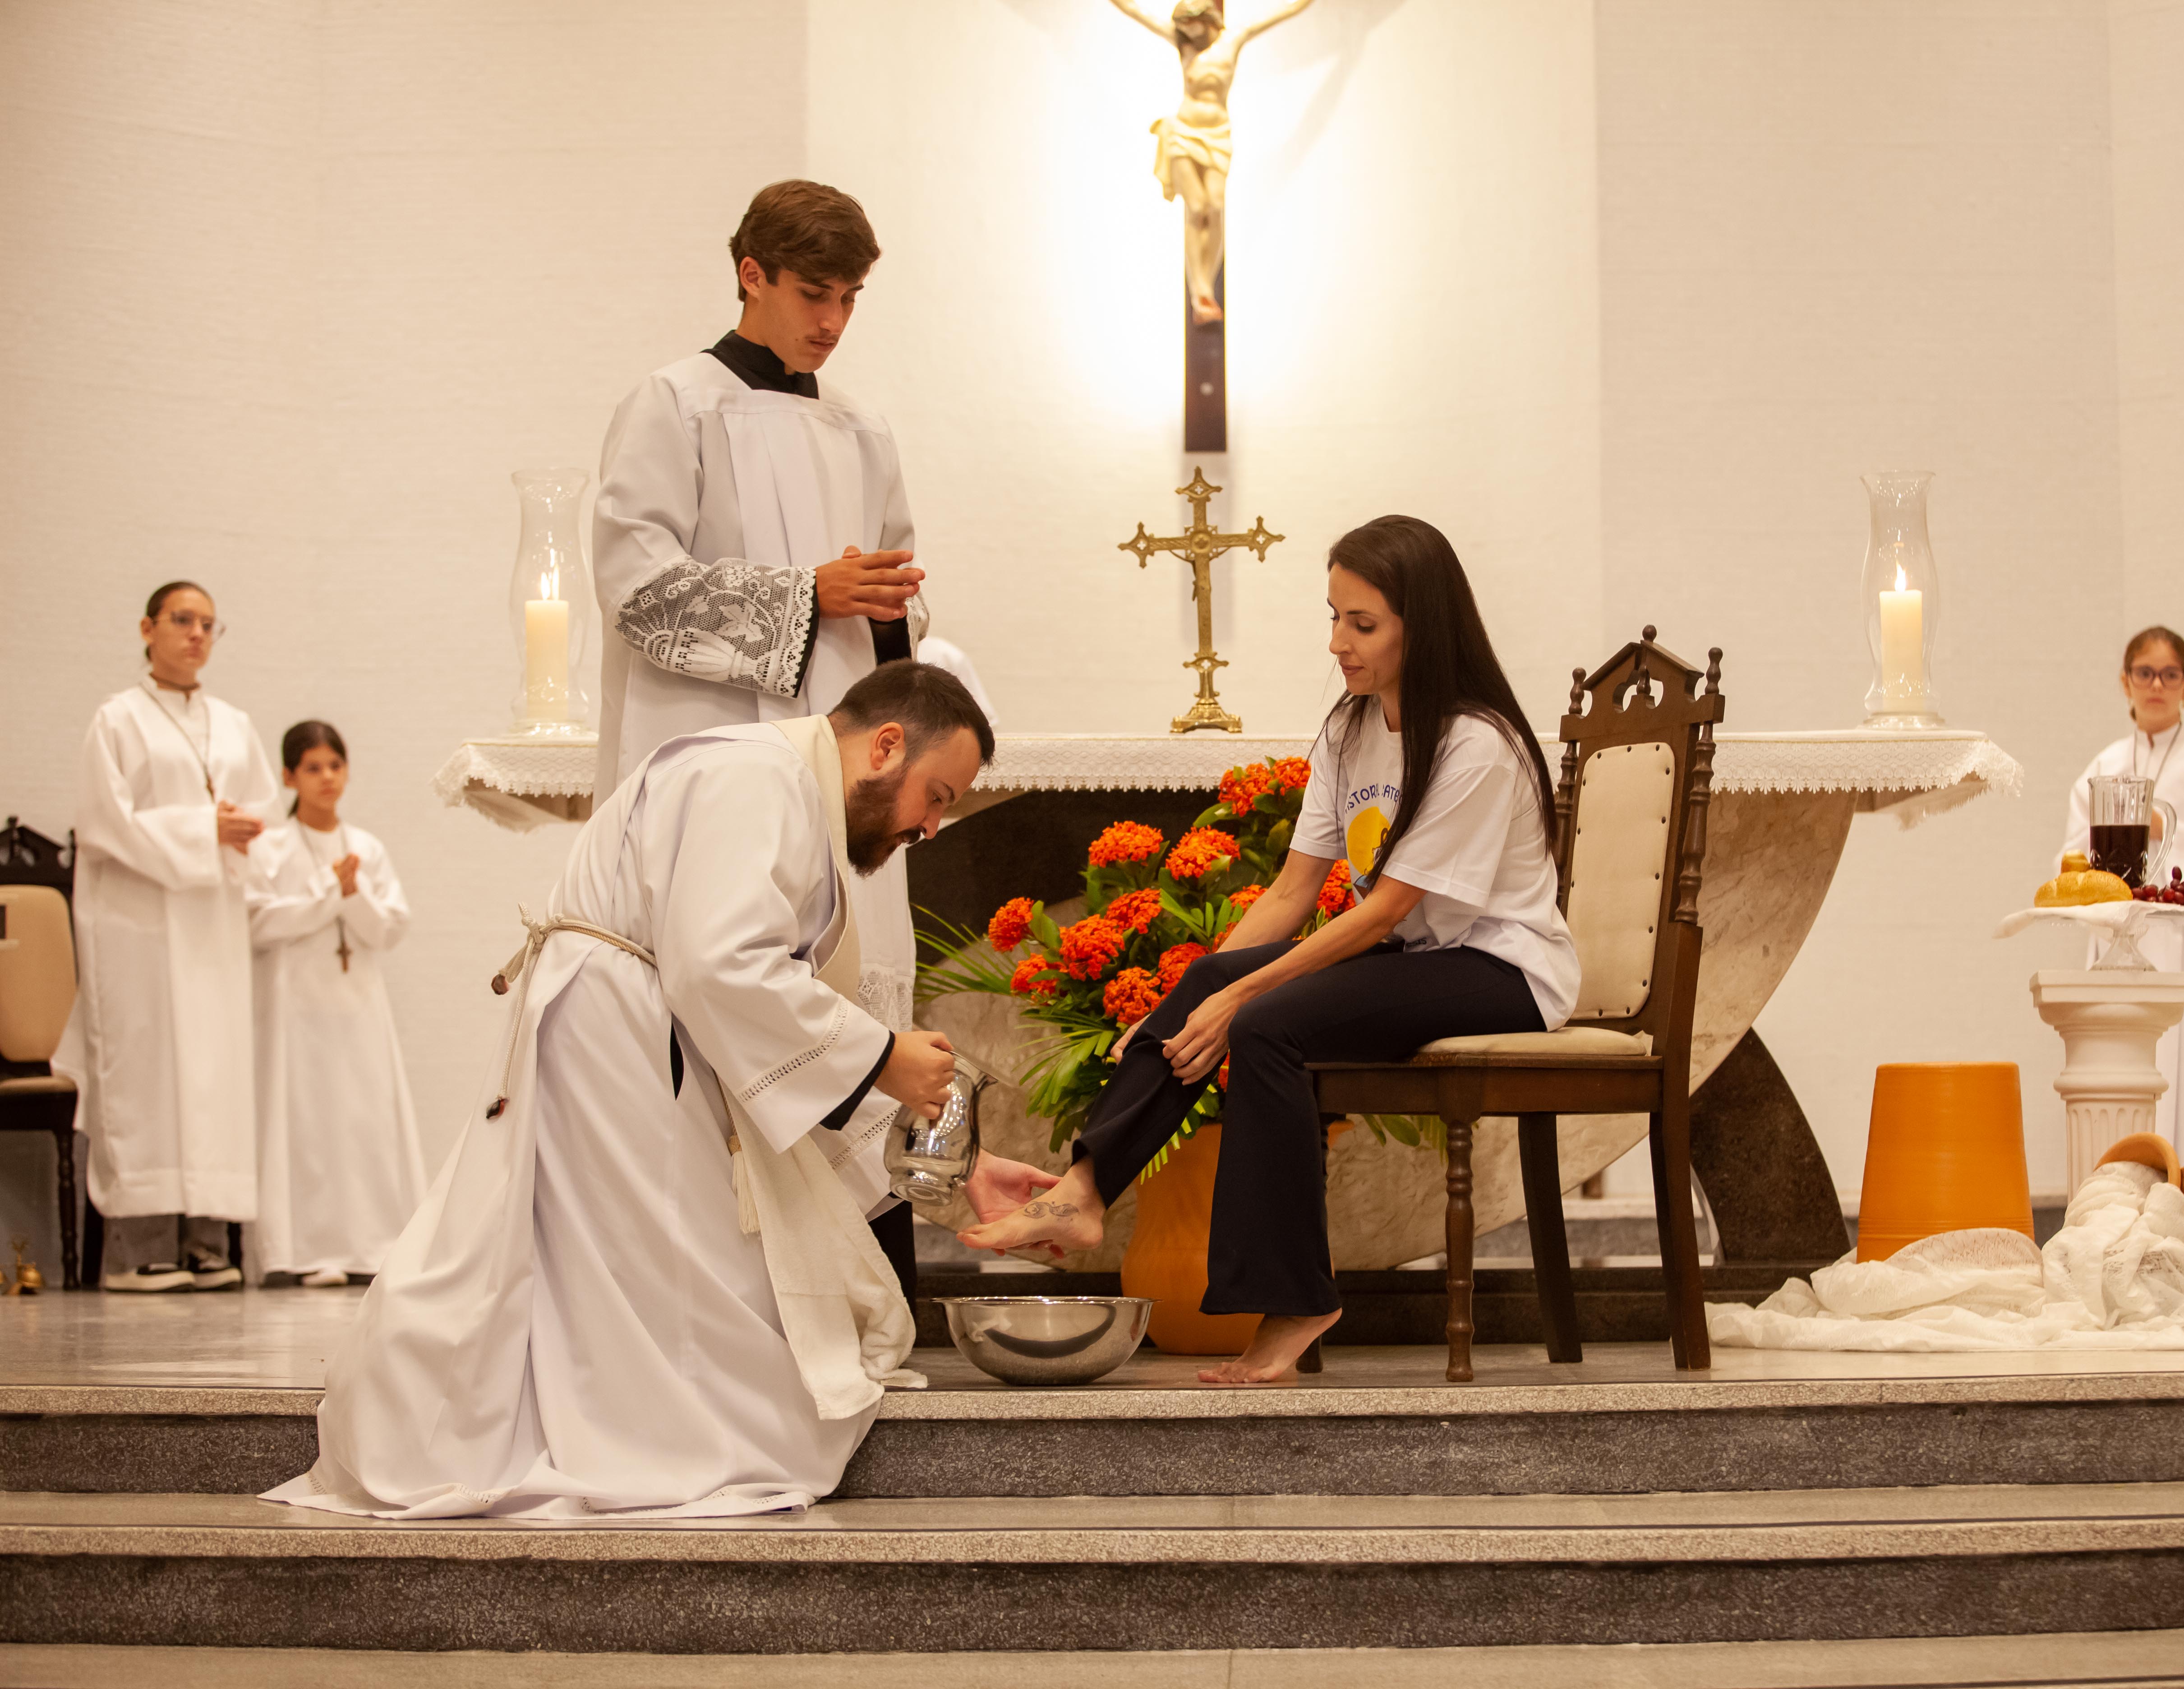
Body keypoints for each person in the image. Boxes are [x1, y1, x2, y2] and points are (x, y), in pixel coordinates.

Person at [268, 663, 1056, 1519]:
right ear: (887, 745)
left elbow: (749, 997)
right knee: (669, 1292)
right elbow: (720, 968)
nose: (932, 827)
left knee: (629, 1278)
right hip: (622, 1036)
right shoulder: (755, 776)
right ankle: (632, 1444)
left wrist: (962, 1163)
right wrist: (881, 1054)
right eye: (936, 796)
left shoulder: (781, 786)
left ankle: (603, 1431)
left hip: (636, 1028)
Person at [961, 516, 1577, 1382]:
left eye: (1362, 624)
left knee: (1262, 1022)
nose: (1337, 643)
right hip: (1416, 957)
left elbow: (1382, 911)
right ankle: (1083, 1191)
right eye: (1334, 616)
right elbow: (1291, 894)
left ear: (1423, 626)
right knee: (1214, 976)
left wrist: (1235, 1001)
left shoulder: (1476, 745)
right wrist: (1190, 996)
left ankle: (1295, 1301)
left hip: (1503, 969)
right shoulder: (1351, 730)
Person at [594, 177, 940, 1297]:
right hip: (718, 767)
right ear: (752, 275)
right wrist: (806, 594)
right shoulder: (673, 405)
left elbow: (899, 598)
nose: (831, 321)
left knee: (847, 980)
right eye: (811, 293)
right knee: (729, 976)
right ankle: (723, 1304)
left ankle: (865, 1298)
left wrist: (887, 619)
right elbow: (636, 590)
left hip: (841, 773)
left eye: (849, 298)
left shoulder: (862, 428)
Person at [54, 582, 276, 1292]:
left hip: (212, 926)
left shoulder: (234, 725)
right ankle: (136, 1249)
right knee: (148, 1073)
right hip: (139, 927)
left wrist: (237, 832)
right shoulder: (117, 719)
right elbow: (104, 822)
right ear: (148, 629)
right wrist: (203, 829)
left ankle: (205, 1242)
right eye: (183, 620)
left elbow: (264, 822)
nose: (197, 634)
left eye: (209, 624)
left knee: (211, 1074)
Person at [2061, 627, 2184, 1159]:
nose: (2156, 685)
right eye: (2145, 673)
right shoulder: (2103, 767)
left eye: (2170, 675)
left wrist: (2157, 828)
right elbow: (2074, 856)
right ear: (2125, 682)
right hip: (2122, 943)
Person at [244, 722, 426, 1288]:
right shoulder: (270, 847)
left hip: (358, 1006)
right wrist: (330, 892)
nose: (327, 778)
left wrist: (352, 892)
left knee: (363, 1121)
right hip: (295, 1009)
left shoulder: (366, 848)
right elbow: (258, 922)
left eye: (335, 766)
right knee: (305, 1122)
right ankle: (302, 1249)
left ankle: (373, 1245)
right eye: (313, 768)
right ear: (288, 776)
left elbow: (390, 929)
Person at [1106, 0, 1319, 323]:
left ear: (1206, 20)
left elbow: (1281, 13)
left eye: (1191, 25)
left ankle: (1208, 280)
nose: (1187, 31)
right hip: (1183, 134)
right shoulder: (1183, 44)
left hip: (1218, 134)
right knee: (1196, 207)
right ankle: (1200, 292)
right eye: (1182, 27)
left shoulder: (1232, 41)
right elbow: (1138, 12)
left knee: (1216, 207)